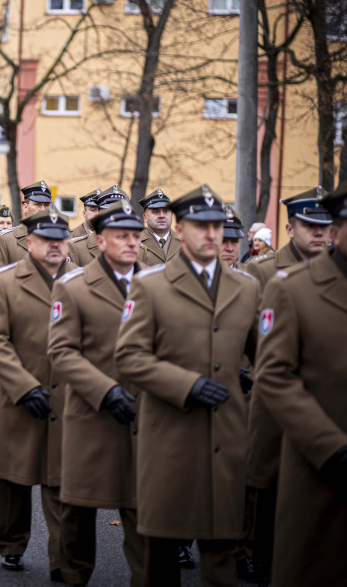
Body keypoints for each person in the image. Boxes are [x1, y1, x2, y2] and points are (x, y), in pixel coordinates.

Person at [115, 185, 260, 587]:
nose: (211, 234)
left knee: (222, 547)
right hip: (170, 433)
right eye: (200, 225)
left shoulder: (246, 287)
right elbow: (129, 356)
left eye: (217, 226)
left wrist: (249, 375)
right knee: (162, 551)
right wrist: (187, 384)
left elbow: (268, 357)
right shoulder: (150, 285)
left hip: (226, 434)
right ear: (180, 229)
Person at [255, 173, 347, 586]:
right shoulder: (294, 290)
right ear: (336, 231)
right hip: (323, 467)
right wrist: (328, 446)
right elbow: (274, 376)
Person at [48, 199, 147, 586]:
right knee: (79, 508)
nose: (131, 243)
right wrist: (105, 391)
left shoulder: (159, 284)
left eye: (135, 236)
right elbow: (61, 352)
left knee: (142, 508)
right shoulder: (73, 286)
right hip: (91, 413)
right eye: (121, 236)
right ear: (101, 240)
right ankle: (75, 575)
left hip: (144, 414)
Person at [242, 186, 331, 583]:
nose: (320, 234)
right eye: (311, 226)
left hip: (325, 399)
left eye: (325, 226)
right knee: (268, 488)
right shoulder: (261, 272)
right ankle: (259, 560)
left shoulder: (341, 272)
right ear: (291, 228)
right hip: (272, 398)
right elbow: (244, 335)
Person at [0, 206, 73, 575]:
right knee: (13, 477)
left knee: (61, 481)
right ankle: (11, 545)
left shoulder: (80, 281)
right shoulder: (5, 280)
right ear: (30, 242)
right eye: (47, 239)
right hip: (19, 395)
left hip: (67, 396)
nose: (55, 245)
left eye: (61, 239)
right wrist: (24, 386)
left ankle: (64, 559)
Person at [0, 181, 53, 270]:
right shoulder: (5, 239)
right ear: (25, 207)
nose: (43, 209)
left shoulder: (60, 239)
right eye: (37, 204)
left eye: (46, 205)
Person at [69, 186, 128, 267]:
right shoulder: (73, 242)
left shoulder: (137, 247)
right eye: (93, 210)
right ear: (84, 213)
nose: (96, 214)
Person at [138, 189, 181, 266]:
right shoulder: (135, 242)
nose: (161, 216)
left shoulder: (185, 242)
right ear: (145, 217)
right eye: (155, 211)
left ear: (172, 214)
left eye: (166, 211)